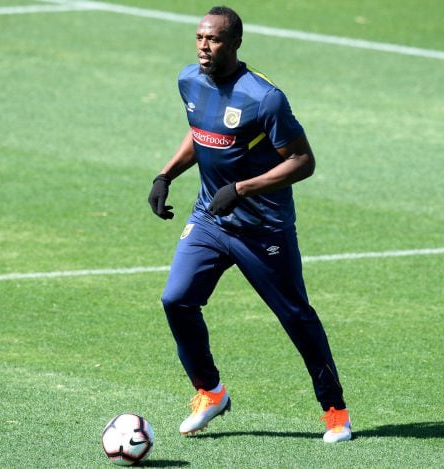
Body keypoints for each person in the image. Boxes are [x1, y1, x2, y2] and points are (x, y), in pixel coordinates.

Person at [147, 6, 351, 443]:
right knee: (176, 300)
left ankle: (335, 411)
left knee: (295, 316)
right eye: (200, 38)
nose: (204, 46)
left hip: (263, 228)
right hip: (210, 218)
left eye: (215, 39)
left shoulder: (264, 98)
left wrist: (242, 189)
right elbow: (201, 131)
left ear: (235, 43)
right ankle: (210, 391)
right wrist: (165, 175)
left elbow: (302, 161)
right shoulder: (188, 80)